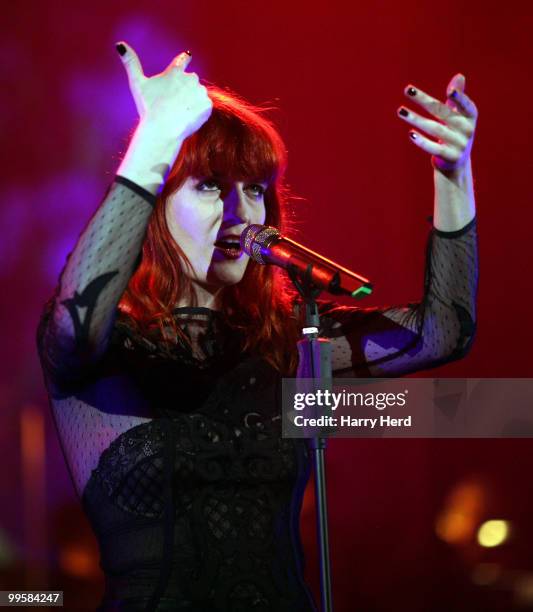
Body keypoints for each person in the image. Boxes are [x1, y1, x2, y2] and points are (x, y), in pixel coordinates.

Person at [37, 42, 479, 612]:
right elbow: (76, 319)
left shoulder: (284, 346)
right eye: (210, 185)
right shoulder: (105, 347)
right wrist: (154, 144)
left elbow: (443, 331)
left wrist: (453, 174)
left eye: (255, 190)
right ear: (153, 203)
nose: (243, 213)